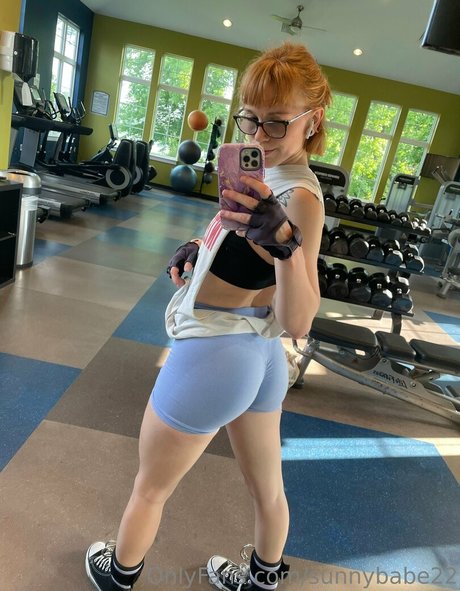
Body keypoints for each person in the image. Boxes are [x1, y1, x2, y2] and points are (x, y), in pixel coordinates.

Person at [85, 41, 331, 591]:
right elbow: (242, 250)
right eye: (250, 118)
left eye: (277, 122)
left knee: (150, 487)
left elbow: (299, 320)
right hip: (254, 358)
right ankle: (262, 580)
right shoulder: (266, 175)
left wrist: (286, 245)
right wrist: (200, 249)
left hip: (217, 356)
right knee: (267, 491)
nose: (259, 136)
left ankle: (118, 574)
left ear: (312, 120)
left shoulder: (300, 198)